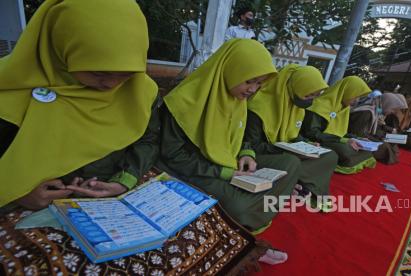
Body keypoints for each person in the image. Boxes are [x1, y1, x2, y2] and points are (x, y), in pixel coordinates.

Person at [0, 0, 159, 209]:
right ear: (61, 47)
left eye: (127, 73)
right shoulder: (10, 91)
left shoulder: (140, 91)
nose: (111, 84)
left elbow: (148, 139)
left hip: (109, 202)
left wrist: (123, 181)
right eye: (98, 73)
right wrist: (17, 195)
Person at [157, 39, 300, 232]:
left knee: (290, 164)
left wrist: (246, 153)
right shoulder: (183, 102)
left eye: (259, 83)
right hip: (194, 169)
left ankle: (253, 211)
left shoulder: (237, 100)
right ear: (230, 69)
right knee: (238, 207)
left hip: (228, 162)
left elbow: (240, 136)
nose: (253, 89)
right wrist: (223, 173)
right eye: (249, 81)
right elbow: (172, 155)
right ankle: (246, 224)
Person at [245, 64, 338, 206]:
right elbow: (253, 145)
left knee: (330, 155)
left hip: (286, 151)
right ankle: (292, 183)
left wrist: (306, 143)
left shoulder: (296, 107)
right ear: (294, 87)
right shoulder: (258, 107)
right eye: (308, 95)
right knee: (290, 161)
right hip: (263, 154)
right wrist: (285, 148)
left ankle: (299, 183)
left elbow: (292, 134)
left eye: (315, 95)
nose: (310, 100)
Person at [302, 76, 377, 174]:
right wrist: (343, 140)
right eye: (355, 96)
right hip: (319, 140)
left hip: (334, 139)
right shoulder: (319, 105)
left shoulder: (344, 108)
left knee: (363, 148)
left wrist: (357, 138)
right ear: (346, 91)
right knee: (346, 150)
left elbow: (341, 132)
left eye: (359, 97)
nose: (357, 100)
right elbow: (312, 133)